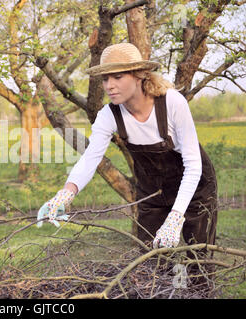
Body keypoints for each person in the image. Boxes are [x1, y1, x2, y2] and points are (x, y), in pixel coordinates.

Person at [37, 43, 218, 253]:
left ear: (139, 74)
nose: (109, 86)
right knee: (152, 264)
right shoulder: (108, 115)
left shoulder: (172, 103)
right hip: (153, 193)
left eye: (118, 77)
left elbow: (193, 165)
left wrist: (176, 215)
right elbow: (90, 158)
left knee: (200, 259)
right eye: (105, 79)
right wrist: (65, 195)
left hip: (196, 189)